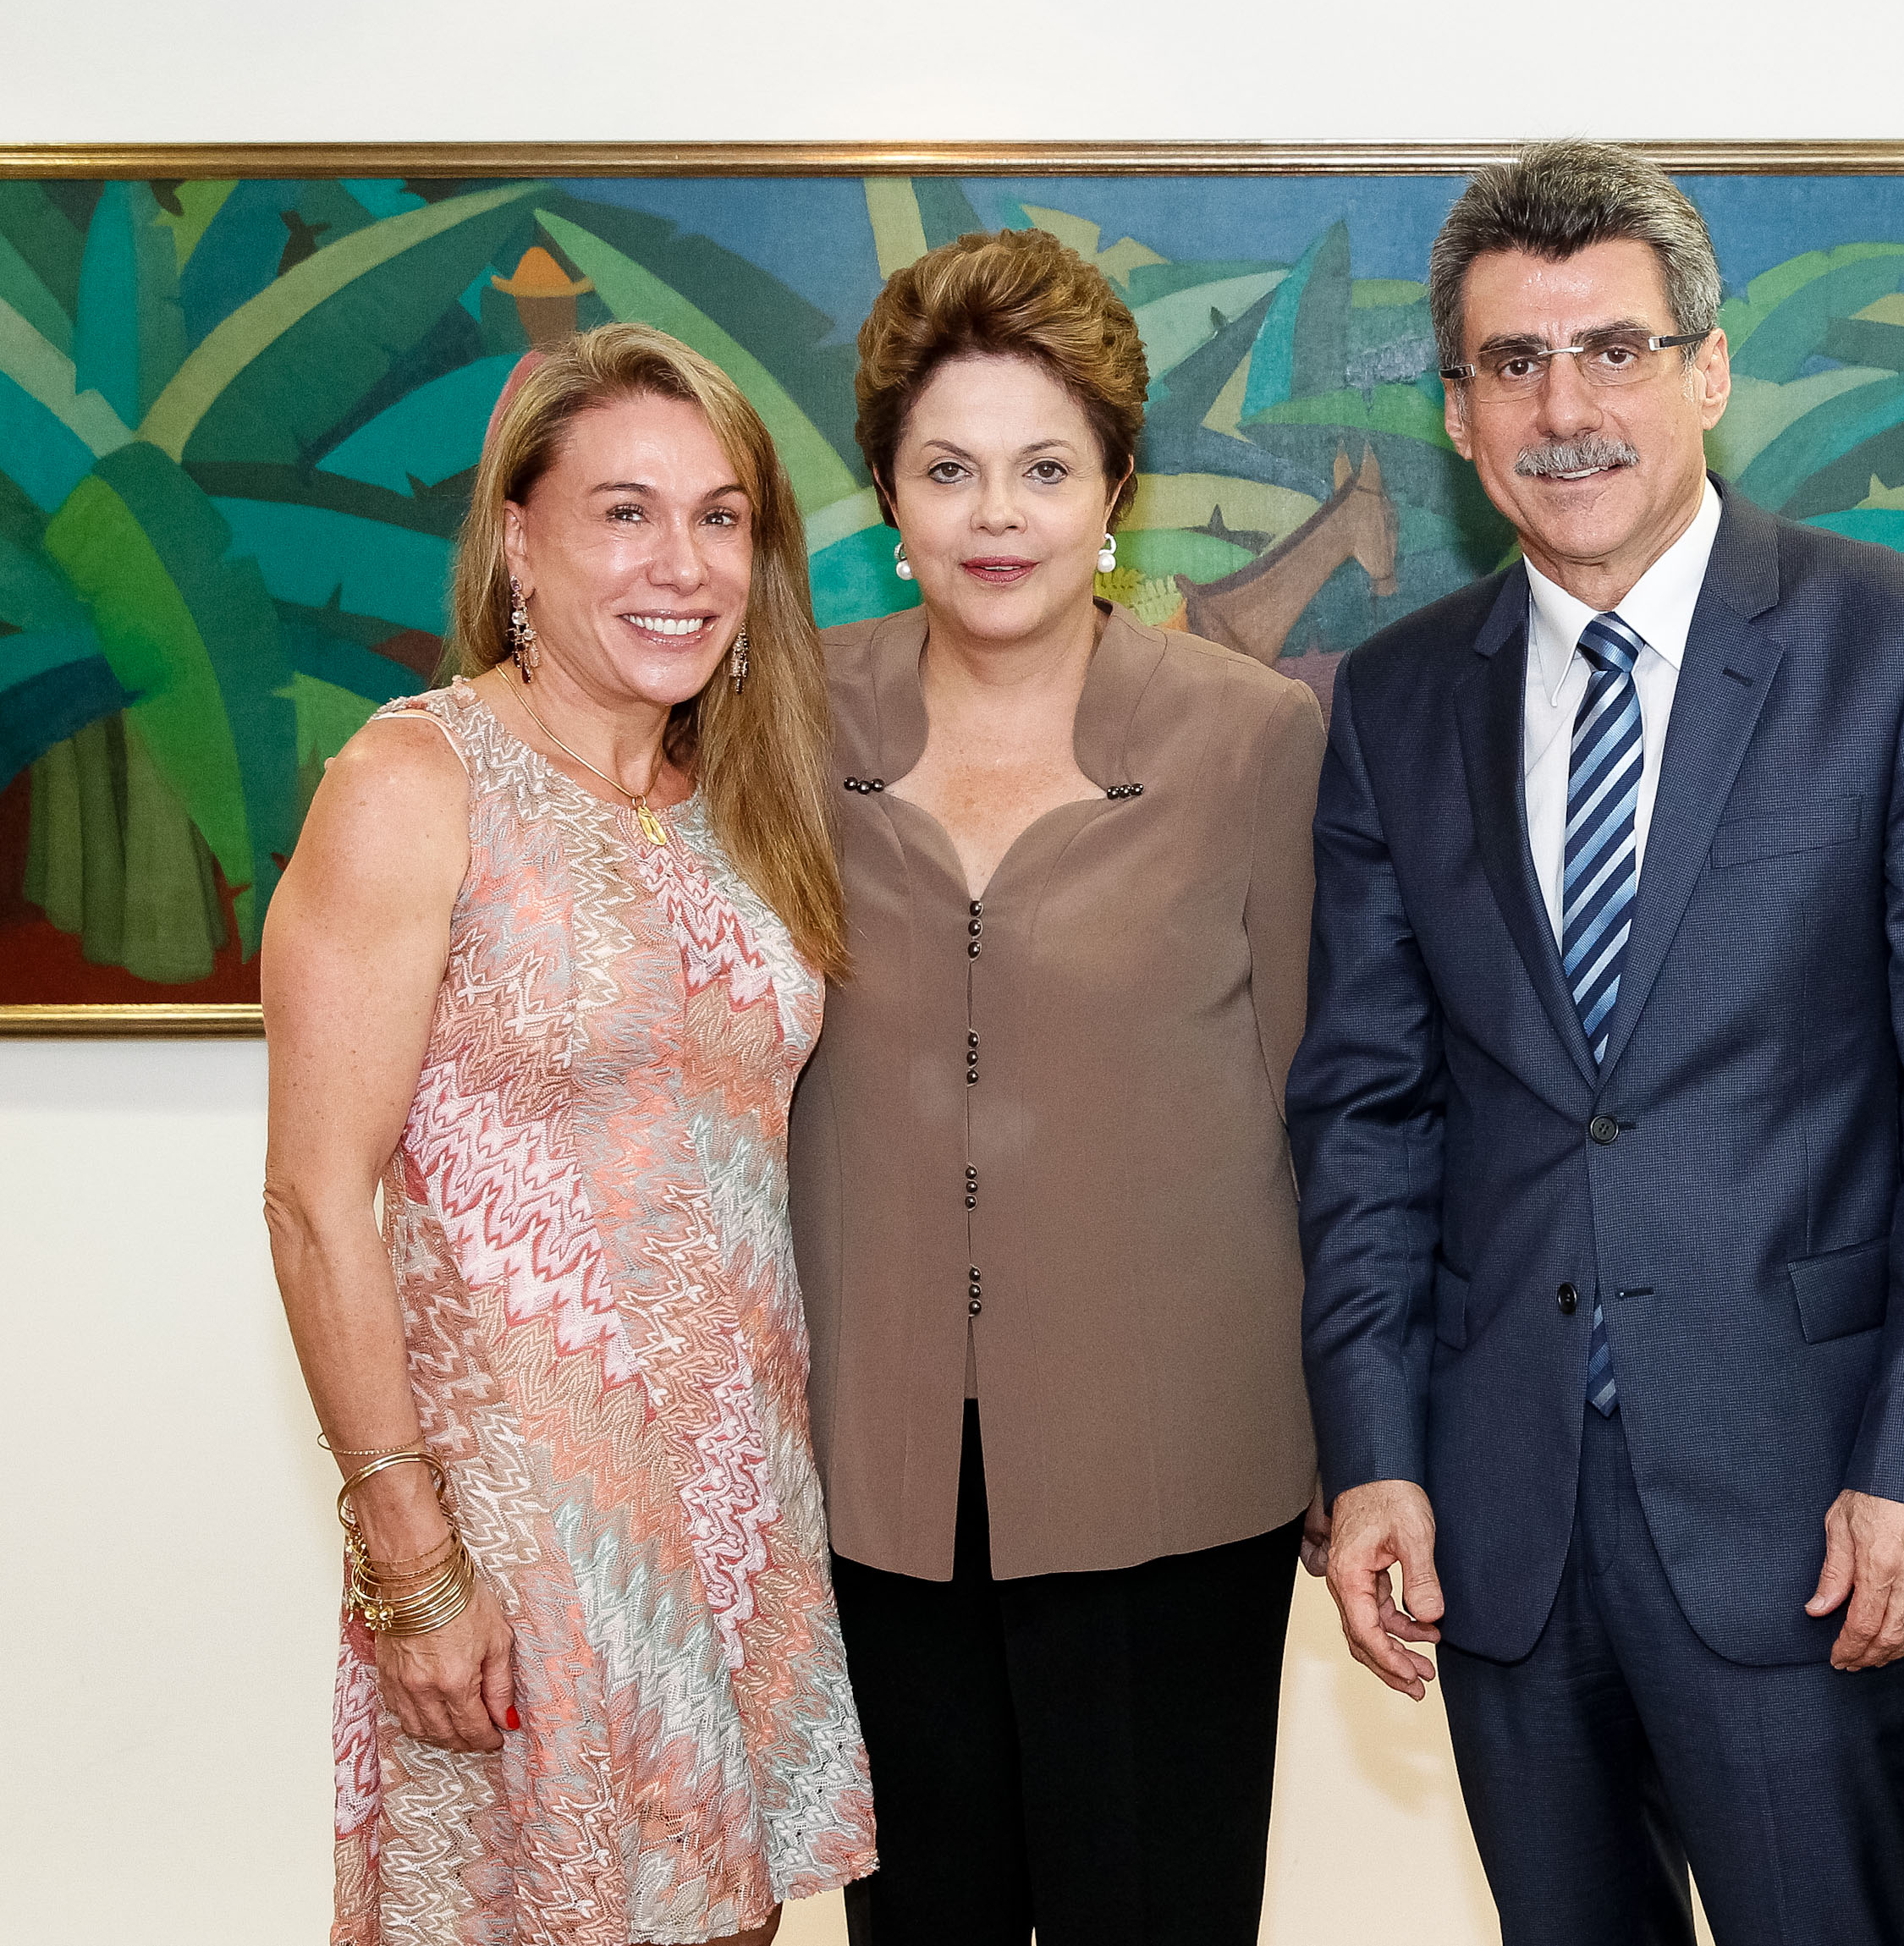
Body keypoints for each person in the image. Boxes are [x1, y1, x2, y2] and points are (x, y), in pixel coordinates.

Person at [1292, 140, 1904, 1946]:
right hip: (1499, 1513)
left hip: (1805, 1503)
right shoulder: (1397, 700)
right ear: (1461, 413)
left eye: (1613, 351)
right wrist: (1372, 1447)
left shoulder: (1903, 646)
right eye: (1512, 363)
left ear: (1706, 372)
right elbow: (1368, 1112)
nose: (1567, 407)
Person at [261, 322, 872, 1946]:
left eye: (724, 514)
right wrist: (412, 1554)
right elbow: (317, 1199)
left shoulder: (747, 802)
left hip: (739, 1495)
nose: (684, 563)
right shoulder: (414, 779)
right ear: (517, 536)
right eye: (624, 511)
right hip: (522, 1524)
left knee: (725, 1921)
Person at [789, 224, 1327, 1944]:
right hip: (867, 1488)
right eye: (949, 469)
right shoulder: (778, 731)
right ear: (888, 494)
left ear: (1118, 496)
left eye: (1044, 468)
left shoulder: (1251, 738)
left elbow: (1328, 1103)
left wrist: (1365, 1445)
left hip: (1176, 1485)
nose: (996, 515)